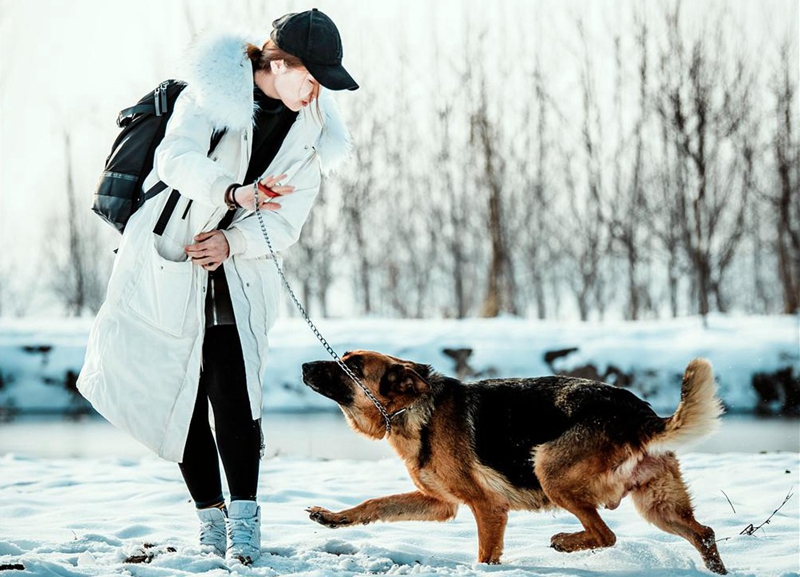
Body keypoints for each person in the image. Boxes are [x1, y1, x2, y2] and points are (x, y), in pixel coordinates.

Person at [77, 9, 357, 566]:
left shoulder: (312, 133)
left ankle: (246, 529)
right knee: (181, 393)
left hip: (238, 272)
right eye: (312, 75)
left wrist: (234, 243)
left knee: (236, 394)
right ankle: (210, 520)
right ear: (278, 63)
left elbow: (287, 221)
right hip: (168, 258)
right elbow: (174, 159)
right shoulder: (211, 95)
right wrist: (231, 194)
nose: (318, 89)